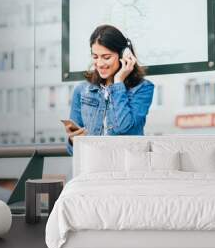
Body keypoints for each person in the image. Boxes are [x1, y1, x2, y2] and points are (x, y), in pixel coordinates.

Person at [65, 24, 154, 155]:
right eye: (95, 57)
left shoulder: (142, 88)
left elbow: (124, 128)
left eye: (106, 57)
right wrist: (73, 141)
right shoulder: (82, 90)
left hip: (126, 169)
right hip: (94, 168)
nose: (100, 64)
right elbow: (71, 151)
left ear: (124, 55)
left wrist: (118, 83)